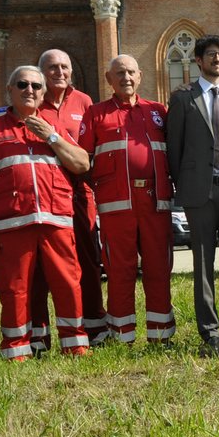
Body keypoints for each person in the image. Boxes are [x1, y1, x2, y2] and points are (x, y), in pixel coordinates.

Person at [0, 66, 92, 359]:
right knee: (15, 288)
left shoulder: (54, 126)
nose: (30, 91)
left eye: (37, 86)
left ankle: (74, 344)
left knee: (67, 283)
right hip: (12, 223)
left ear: (43, 92)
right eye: (22, 84)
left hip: (56, 219)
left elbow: (82, 163)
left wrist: (51, 137)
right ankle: (16, 348)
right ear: (10, 90)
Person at [78, 55, 174, 344]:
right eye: (119, 73)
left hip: (156, 202)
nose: (126, 78)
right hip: (117, 205)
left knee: (159, 267)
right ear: (109, 79)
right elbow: (83, 161)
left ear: (140, 76)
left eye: (131, 72)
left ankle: (161, 335)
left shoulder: (158, 111)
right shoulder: (96, 114)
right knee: (120, 271)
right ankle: (122, 335)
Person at [166, 33, 219, 352]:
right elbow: (174, 149)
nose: (217, 59)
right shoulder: (183, 98)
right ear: (199, 61)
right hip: (199, 191)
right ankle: (210, 330)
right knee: (202, 261)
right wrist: (184, 186)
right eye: (211, 54)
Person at [31, 48, 108, 350]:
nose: (59, 72)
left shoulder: (84, 102)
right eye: (52, 67)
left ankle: (94, 324)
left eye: (64, 66)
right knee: (43, 265)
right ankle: (40, 332)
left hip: (80, 192)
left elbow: (92, 149)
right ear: (41, 73)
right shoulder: (34, 103)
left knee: (87, 259)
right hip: (46, 194)